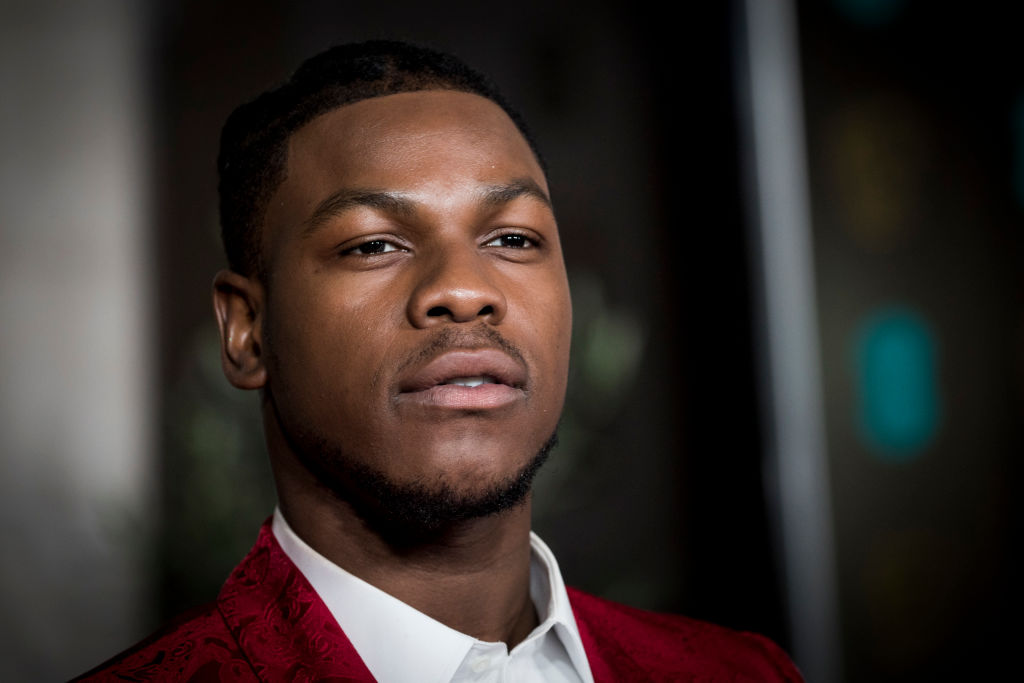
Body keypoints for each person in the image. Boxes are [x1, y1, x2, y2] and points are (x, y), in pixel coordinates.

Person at [77, 40, 803, 682]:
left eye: (513, 239)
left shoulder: (742, 672)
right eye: (374, 244)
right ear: (248, 331)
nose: (465, 289)